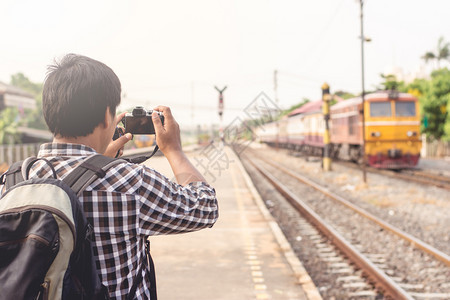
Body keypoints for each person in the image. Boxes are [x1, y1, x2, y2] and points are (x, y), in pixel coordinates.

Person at [17, 54, 219, 299]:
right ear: (106, 117)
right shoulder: (130, 182)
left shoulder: (13, 180)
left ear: (50, 113)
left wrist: (98, 162)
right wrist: (174, 150)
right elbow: (205, 206)